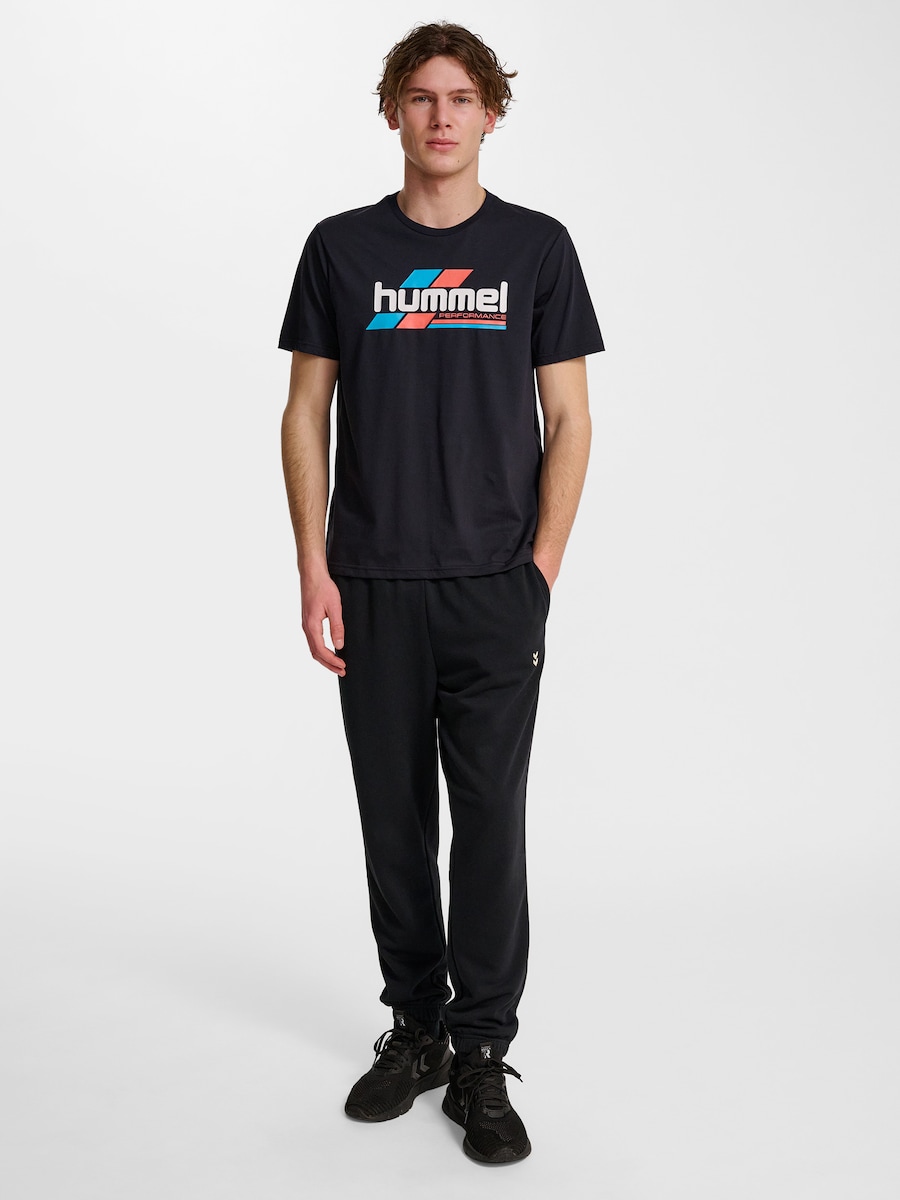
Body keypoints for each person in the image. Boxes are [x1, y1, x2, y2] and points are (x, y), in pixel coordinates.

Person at [278, 21, 604, 1165]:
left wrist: (539, 570)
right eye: (421, 97)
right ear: (393, 112)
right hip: (372, 584)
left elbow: (570, 419)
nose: (442, 116)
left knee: (491, 827)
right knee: (395, 821)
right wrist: (313, 564)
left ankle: (480, 1055)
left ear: (491, 114)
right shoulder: (339, 249)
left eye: (462, 98)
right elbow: (304, 412)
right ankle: (414, 1027)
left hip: (493, 591)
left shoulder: (537, 249)